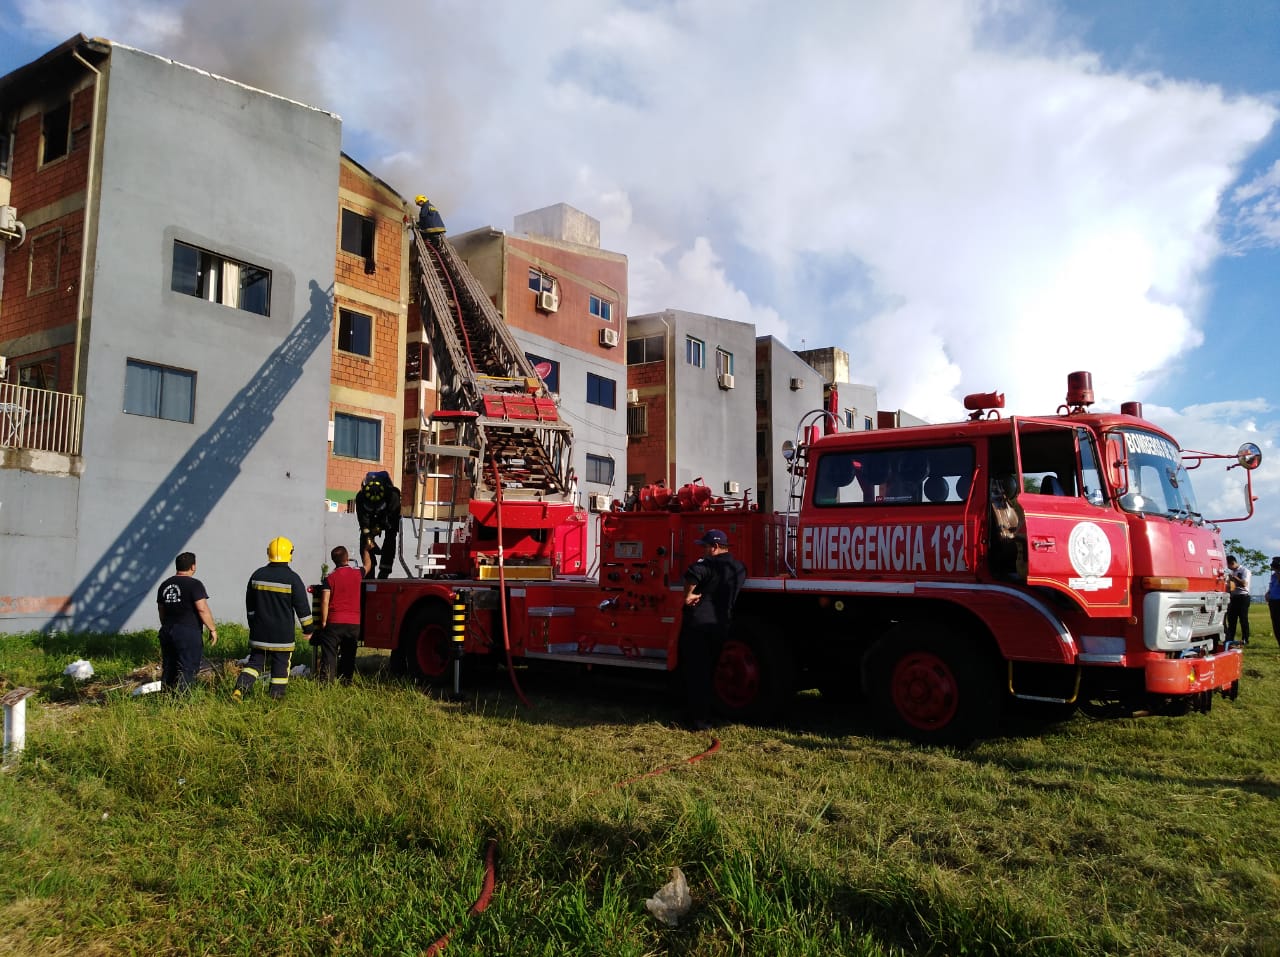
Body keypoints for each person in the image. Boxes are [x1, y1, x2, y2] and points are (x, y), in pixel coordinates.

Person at [679, 528, 747, 731]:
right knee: (711, 671)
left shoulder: (707, 564)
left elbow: (692, 574)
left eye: (705, 547)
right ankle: (710, 713)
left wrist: (688, 596)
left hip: (698, 626)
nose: (703, 550)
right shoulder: (739, 568)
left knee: (696, 673)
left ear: (715, 547)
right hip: (720, 626)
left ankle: (698, 720)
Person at [233, 536, 315, 701]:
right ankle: (275, 698)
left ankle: (239, 691)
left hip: (260, 632)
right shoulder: (293, 578)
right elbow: (302, 607)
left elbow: (250, 606)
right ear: (289, 554)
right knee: (281, 666)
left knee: (255, 663)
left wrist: (253, 624)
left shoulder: (257, 575)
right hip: (282, 635)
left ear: (268, 553)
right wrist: (308, 629)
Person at [156, 552, 218, 691]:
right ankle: (182, 699)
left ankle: (166, 697)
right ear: (193, 566)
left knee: (169, 667)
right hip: (187, 632)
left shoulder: (165, 585)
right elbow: (202, 608)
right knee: (187, 668)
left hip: (167, 630)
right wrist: (212, 629)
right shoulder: (194, 585)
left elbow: (161, 609)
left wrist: (165, 625)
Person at [315, 545, 362, 683]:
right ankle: (346, 680)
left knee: (329, 653)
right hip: (354, 622)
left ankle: (326, 682)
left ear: (333, 560)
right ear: (347, 558)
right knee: (349, 654)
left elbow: (325, 601)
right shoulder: (358, 573)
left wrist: (324, 621)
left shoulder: (329, 578)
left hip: (334, 621)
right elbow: (368, 564)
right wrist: (366, 550)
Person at [356, 470, 402, 579]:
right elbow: (363, 521)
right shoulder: (360, 497)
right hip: (370, 518)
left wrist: (379, 527)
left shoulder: (393, 495)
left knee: (390, 537)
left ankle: (385, 570)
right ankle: (369, 569)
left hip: (388, 517)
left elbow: (392, 519)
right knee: (364, 540)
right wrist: (369, 537)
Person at [1225, 555, 1252, 645]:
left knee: (1243, 619)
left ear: (1232, 563)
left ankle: (1245, 639)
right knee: (1231, 619)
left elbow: (1244, 584)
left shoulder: (1244, 571)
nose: (1228, 568)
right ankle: (1230, 638)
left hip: (1243, 597)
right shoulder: (1232, 572)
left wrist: (1234, 577)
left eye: (1228, 565)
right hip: (1233, 597)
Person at [1266, 557, 1280, 650]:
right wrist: (1268, 593)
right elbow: (1272, 586)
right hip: (1273, 602)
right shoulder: (1273, 575)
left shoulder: (1277, 574)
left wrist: (1278, 572)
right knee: (1276, 624)